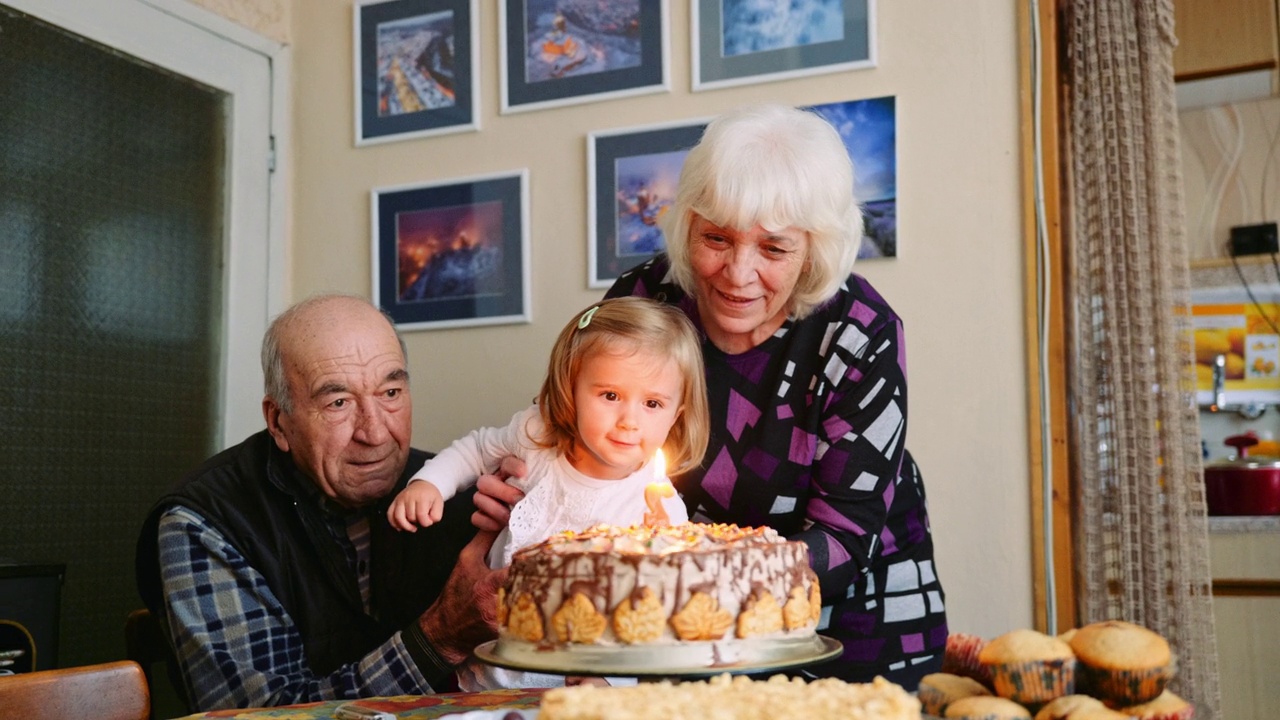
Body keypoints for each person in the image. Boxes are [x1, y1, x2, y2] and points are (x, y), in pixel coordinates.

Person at [475, 104, 948, 689]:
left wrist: (705, 578)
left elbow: (846, 538)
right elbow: (576, 431)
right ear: (686, 225)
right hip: (678, 627)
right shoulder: (648, 299)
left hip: (849, 623)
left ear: (814, 250)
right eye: (717, 239)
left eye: (774, 249)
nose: (738, 273)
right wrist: (527, 488)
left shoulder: (858, 332)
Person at [135, 294, 505, 711]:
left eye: (391, 391)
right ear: (279, 422)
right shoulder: (206, 522)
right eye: (338, 403)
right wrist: (438, 638)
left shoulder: (454, 492)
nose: (376, 433)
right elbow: (261, 714)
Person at [386, 296, 709, 690]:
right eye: (610, 396)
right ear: (570, 388)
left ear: (677, 413)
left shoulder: (660, 511)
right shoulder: (536, 437)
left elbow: (654, 618)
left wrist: (607, 680)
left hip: (585, 692)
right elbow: (476, 448)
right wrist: (429, 483)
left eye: (653, 403)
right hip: (489, 675)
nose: (629, 421)